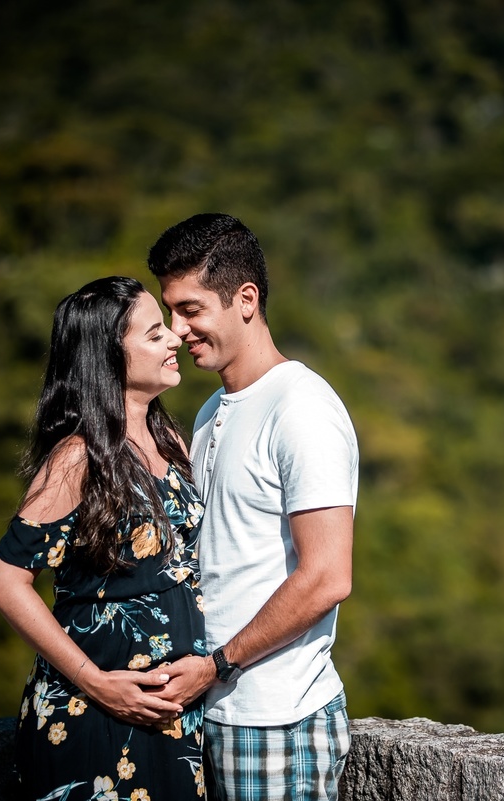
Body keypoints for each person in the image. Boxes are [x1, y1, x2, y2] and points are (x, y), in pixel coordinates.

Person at [145, 213, 359, 801]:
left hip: (276, 720)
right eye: (169, 312)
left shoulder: (302, 408)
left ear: (246, 300)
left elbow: (328, 577)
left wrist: (218, 664)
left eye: (190, 310)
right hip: (210, 711)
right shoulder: (212, 410)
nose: (176, 330)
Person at [0, 275, 208, 801]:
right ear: (109, 356)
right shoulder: (77, 457)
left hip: (174, 719)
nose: (174, 338)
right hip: (93, 716)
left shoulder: (169, 440)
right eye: (154, 334)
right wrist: (97, 683)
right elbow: (6, 582)